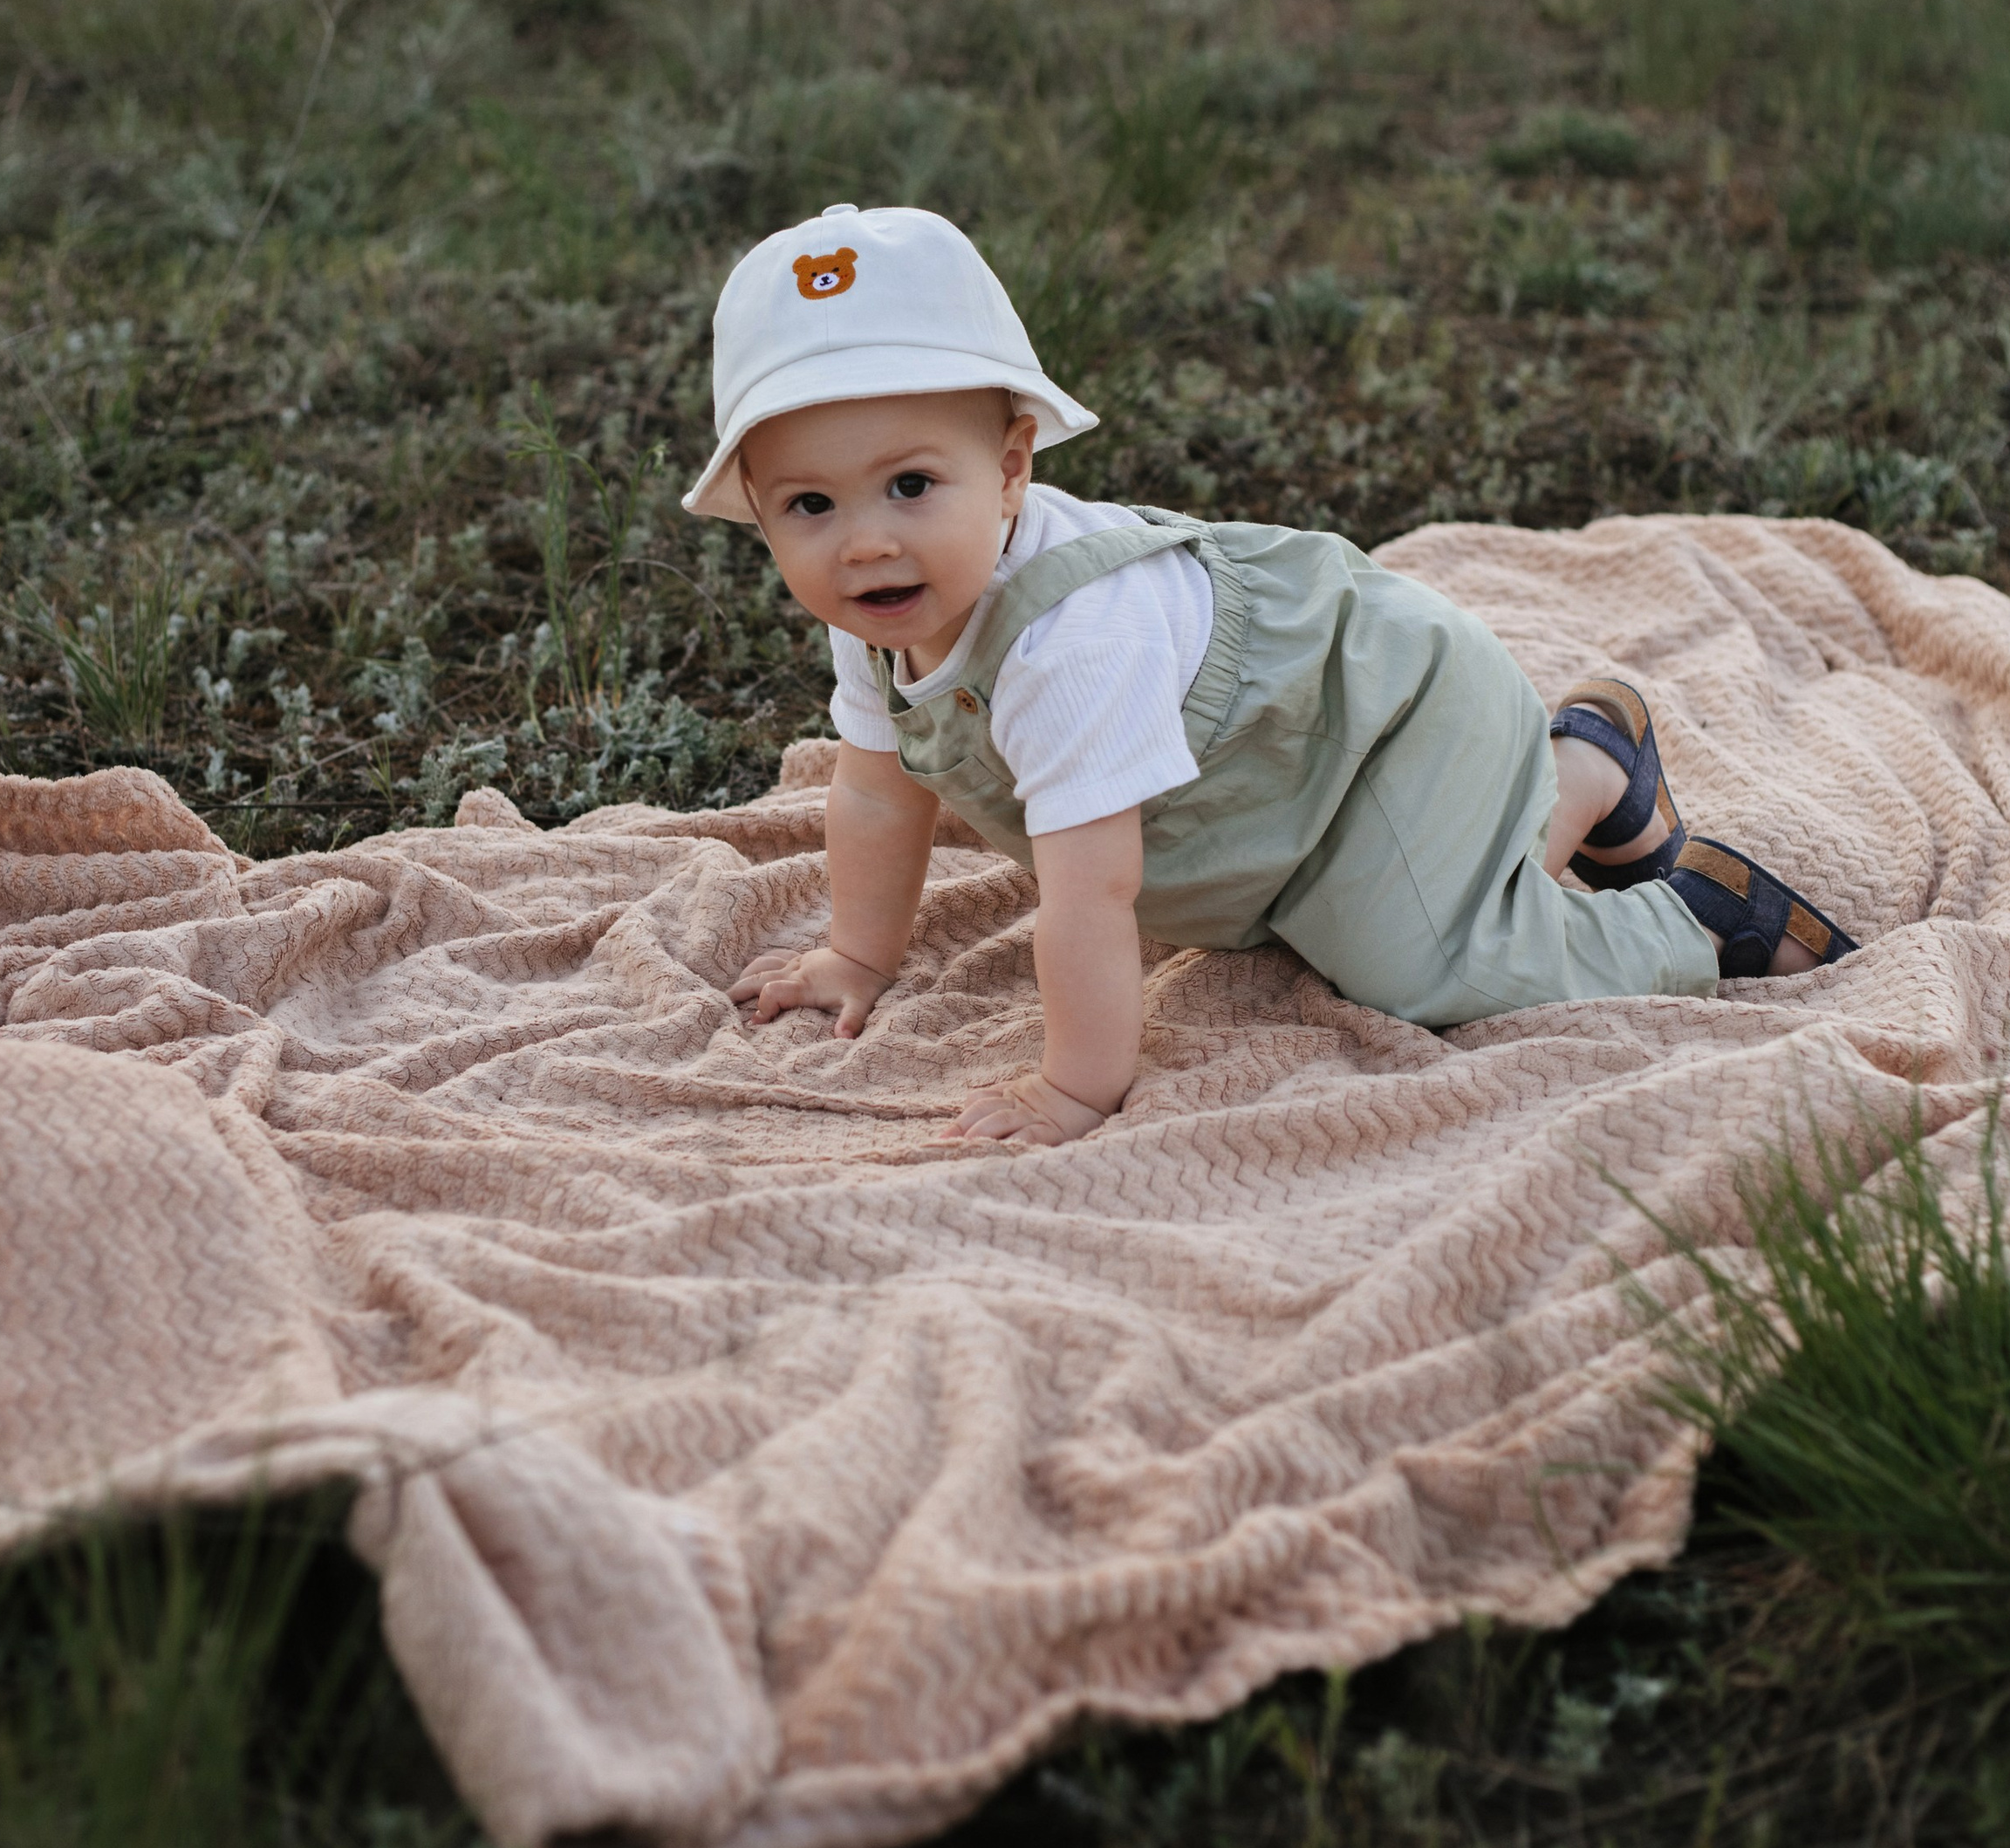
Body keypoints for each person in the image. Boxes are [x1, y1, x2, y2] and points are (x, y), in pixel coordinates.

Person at [684, 206, 1857, 1149]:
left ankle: (1694, 912)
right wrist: (859, 954)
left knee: (1423, 968)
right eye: (809, 507)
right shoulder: (890, 607)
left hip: (1383, 724)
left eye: (909, 486)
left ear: (1009, 469)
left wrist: (1078, 1089)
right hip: (1288, 790)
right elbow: (879, 791)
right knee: (1336, 911)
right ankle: (1588, 767)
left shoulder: (1070, 643)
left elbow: (1091, 893)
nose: (865, 543)